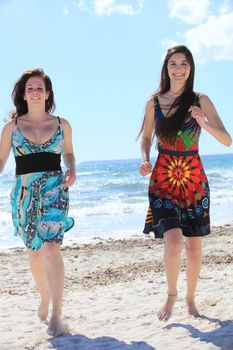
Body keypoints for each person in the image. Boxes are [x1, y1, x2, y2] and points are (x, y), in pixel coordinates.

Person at [139, 45, 232, 321]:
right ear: (166, 69)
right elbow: (146, 137)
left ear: (191, 68)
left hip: (193, 180)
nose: (178, 69)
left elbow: (227, 139)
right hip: (163, 179)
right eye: (173, 64)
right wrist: (145, 159)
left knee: (193, 248)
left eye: (184, 64)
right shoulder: (153, 102)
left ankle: (191, 299)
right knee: (174, 240)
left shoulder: (201, 100)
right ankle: (171, 295)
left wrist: (204, 123)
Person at [0, 68, 76, 337]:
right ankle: (44, 296)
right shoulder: (12, 127)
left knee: (52, 248)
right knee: (34, 252)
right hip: (24, 193)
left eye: (39, 88)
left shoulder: (61, 124)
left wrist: (72, 169)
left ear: (47, 93)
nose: (35, 92)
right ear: (23, 94)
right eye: (30, 88)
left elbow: (68, 154)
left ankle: (57, 313)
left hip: (55, 190)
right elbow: (0, 162)